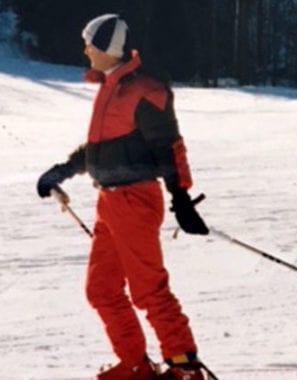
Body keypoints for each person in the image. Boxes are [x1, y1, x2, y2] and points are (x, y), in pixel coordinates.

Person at [36, 14, 209, 380]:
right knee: (101, 289)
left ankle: (185, 369)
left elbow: (170, 146)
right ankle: (134, 365)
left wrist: (180, 198)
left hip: (135, 201)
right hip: (110, 202)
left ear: (105, 48)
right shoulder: (110, 87)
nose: (84, 49)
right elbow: (100, 150)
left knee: (149, 291)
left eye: (89, 43)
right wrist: (61, 171)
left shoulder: (144, 89)